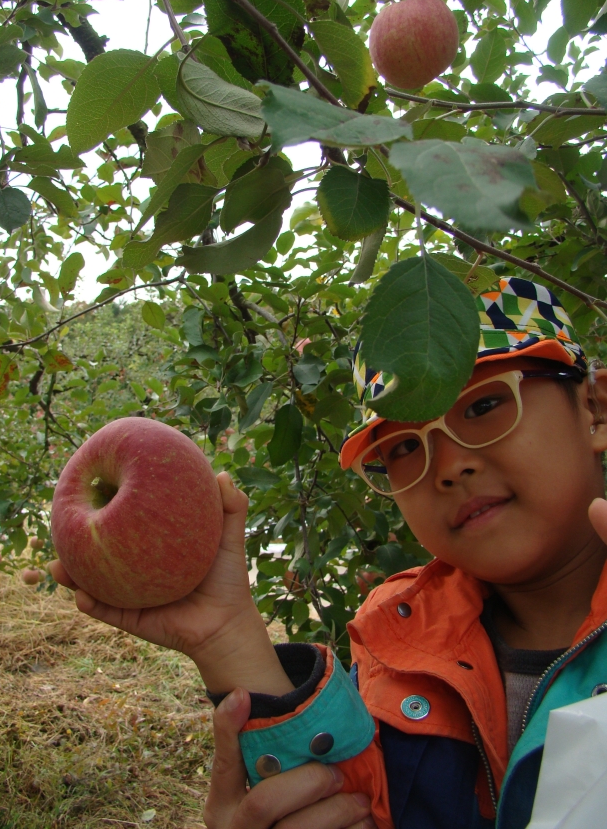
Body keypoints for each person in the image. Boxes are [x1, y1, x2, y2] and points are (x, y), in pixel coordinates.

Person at [50, 277, 607, 829]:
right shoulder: (397, 641)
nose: (449, 465)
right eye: (406, 446)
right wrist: (224, 634)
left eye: (485, 404)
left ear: (595, 409)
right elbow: (352, 797)